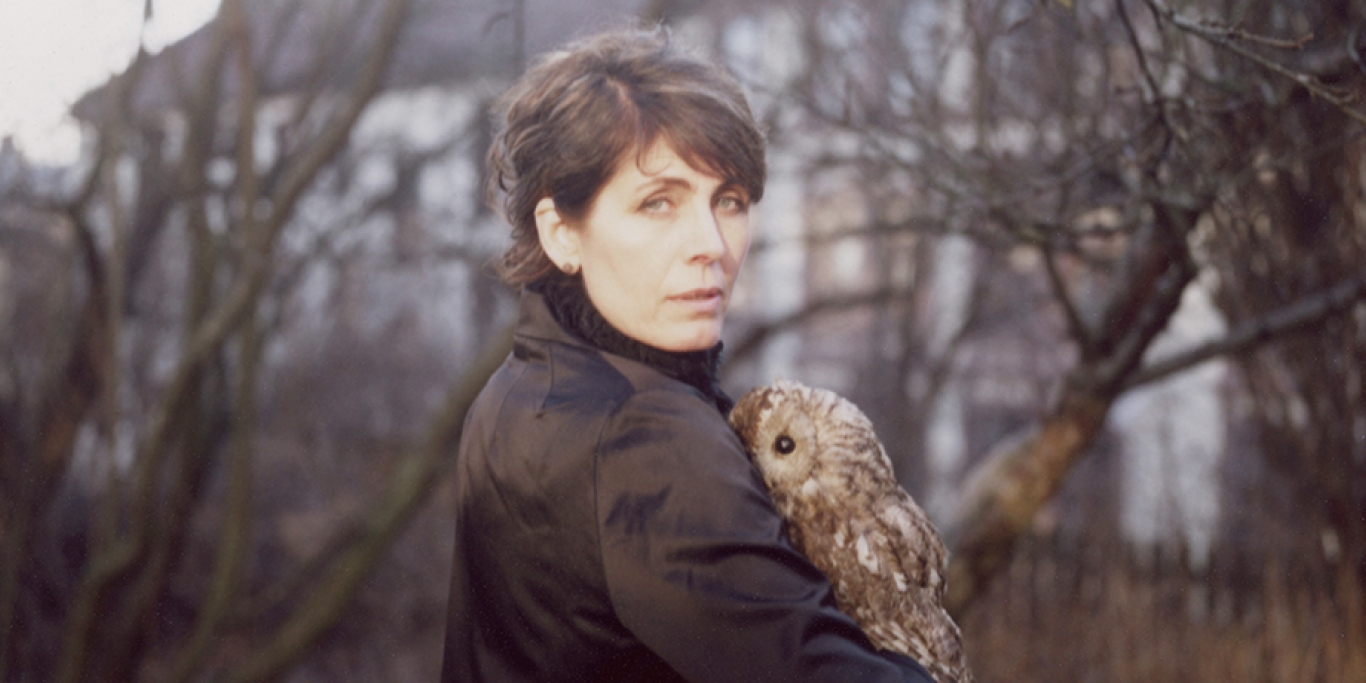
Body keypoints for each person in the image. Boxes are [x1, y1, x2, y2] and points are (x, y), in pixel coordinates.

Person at [440, 25, 935, 683]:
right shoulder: (646, 439)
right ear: (561, 232)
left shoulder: (515, 391)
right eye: (658, 203)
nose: (711, 244)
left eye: (728, 200)